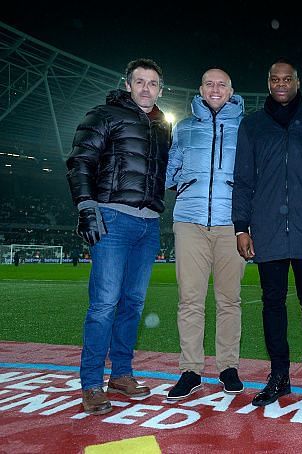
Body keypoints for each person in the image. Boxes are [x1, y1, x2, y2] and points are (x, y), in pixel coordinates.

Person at [66, 58, 172, 415]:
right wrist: (86, 206)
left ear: (160, 89)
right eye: (139, 81)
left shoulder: (161, 127)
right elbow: (80, 160)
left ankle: (122, 374)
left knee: (133, 304)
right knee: (104, 305)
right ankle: (92, 383)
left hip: (148, 224)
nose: (146, 88)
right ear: (128, 84)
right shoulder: (104, 114)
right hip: (112, 218)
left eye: (153, 83)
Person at [232, 58, 302, 413]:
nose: (281, 83)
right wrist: (241, 227)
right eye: (274, 78)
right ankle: (279, 375)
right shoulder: (253, 125)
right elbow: (243, 180)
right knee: (272, 303)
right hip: (268, 229)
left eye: (287, 78)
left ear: (297, 82)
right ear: (268, 82)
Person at [165, 68, 246, 400]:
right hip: (189, 222)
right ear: (200, 89)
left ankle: (228, 367)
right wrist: (183, 182)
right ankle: (191, 369)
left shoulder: (247, 128)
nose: (215, 88)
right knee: (190, 300)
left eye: (222, 84)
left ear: (231, 90)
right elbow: (169, 173)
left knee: (229, 300)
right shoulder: (183, 128)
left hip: (232, 224)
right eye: (209, 84)